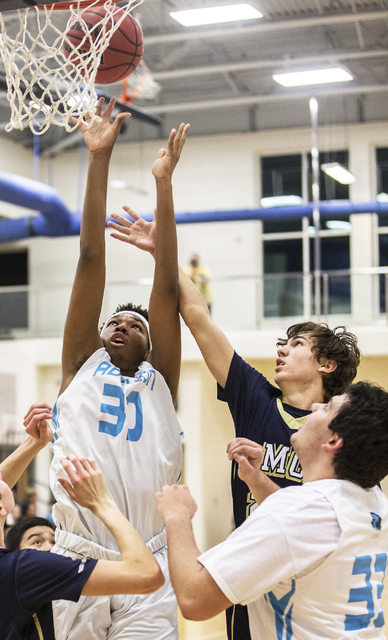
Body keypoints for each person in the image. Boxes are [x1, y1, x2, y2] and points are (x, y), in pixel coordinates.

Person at [107, 210, 361, 639]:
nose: (282, 349)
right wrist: (161, 254)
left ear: (326, 364)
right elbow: (198, 317)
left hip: (310, 580)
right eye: (283, 342)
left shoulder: (344, 427)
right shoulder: (256, 396)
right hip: (251, 568)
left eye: (296, 344)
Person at [48, 97, 189, 640]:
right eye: (115, 320)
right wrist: (98, 157)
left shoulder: (162, 382)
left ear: (151, 346)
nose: (123, 323)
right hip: (79, 553)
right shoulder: (79, 364)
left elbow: (169, 288)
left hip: (148, 556)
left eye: (137, 324)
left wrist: (163, 184)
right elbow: (90, 257)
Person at [0, 402, 163, 640]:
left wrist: (34, 443)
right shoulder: (24, 570)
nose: (1, 475)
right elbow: (146, 574)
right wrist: (102, 503)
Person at [156, 380, 388, 639]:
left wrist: (177, 516)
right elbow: (305, 535)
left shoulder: (299, 511)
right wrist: (257, 480)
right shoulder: (374, 500)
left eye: (326, 408)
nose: (314, 407)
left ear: (334, 439)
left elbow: (194, 598)